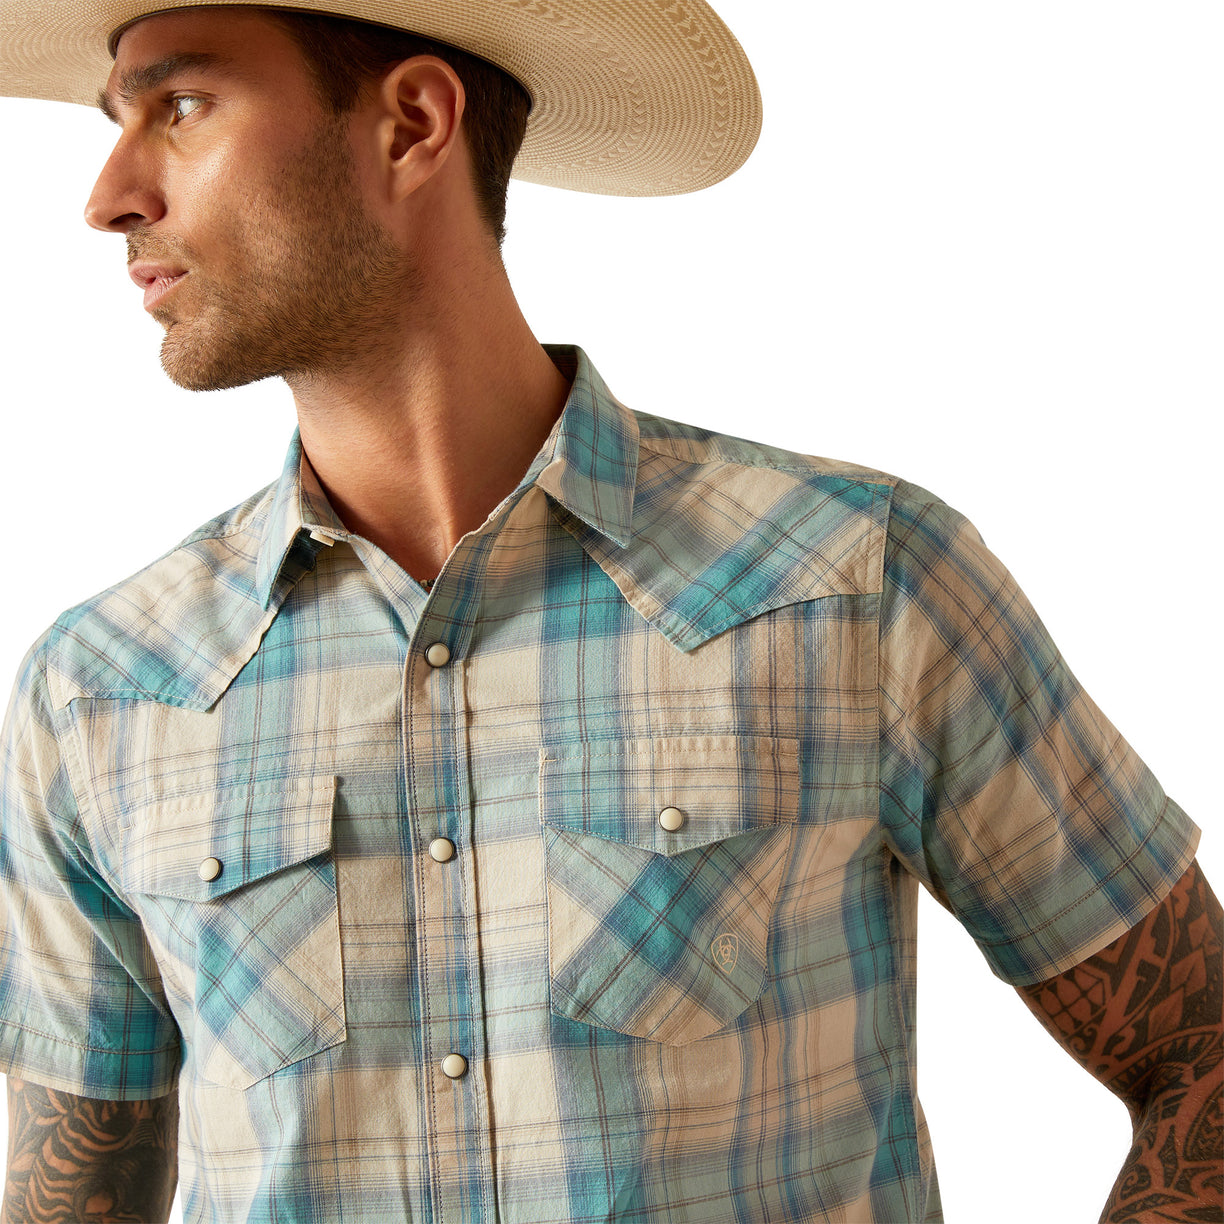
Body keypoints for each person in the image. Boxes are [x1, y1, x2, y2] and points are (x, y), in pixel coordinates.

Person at [0, 1, 1219, 1221]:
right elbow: (68, 1200)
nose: (109, 196)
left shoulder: (852, 579)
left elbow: (1202, 1056)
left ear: (413, 123)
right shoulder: (102, 685)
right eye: (119, 124)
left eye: (183, 107)